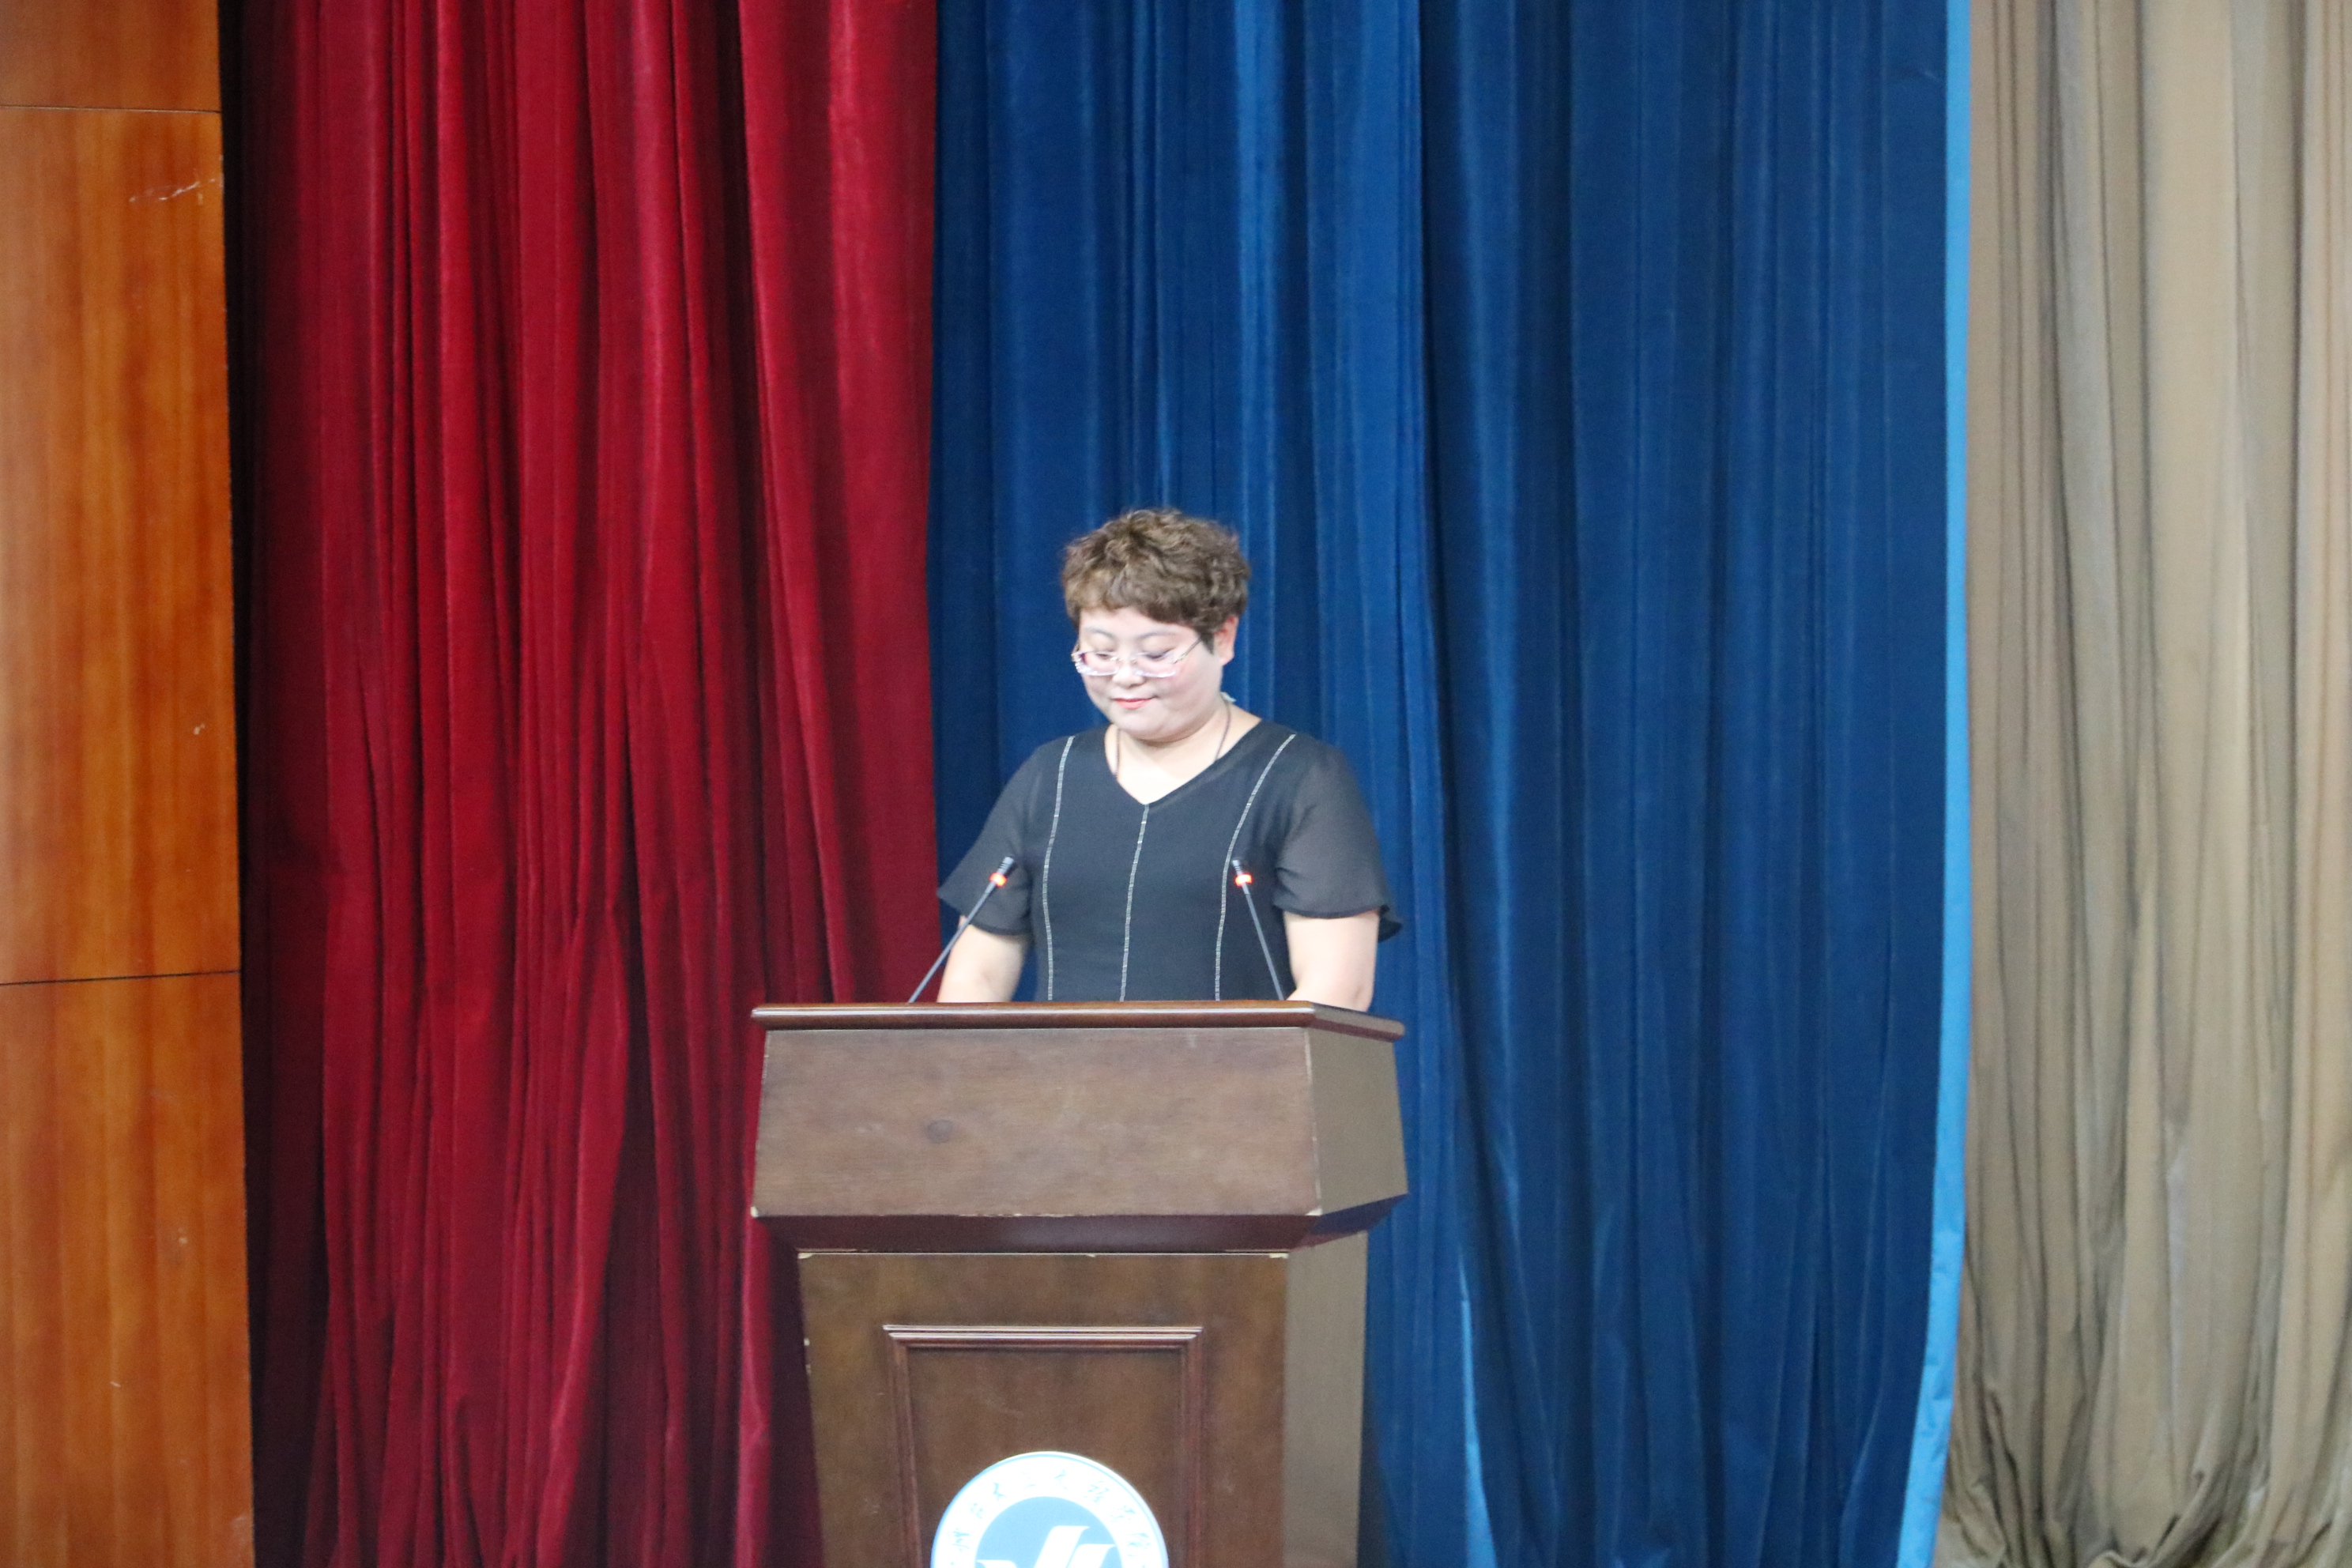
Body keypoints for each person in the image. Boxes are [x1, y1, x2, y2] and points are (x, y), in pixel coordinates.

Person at [936, 507, 1395, 1008]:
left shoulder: (1300, 777)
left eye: (1155, 654)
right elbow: (975, 981)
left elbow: (1337, 990)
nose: (1125, 676)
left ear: (1223, 638)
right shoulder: (1051, 776)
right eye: (1101, 653)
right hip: (1063, 1064)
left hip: (1237, 1062)